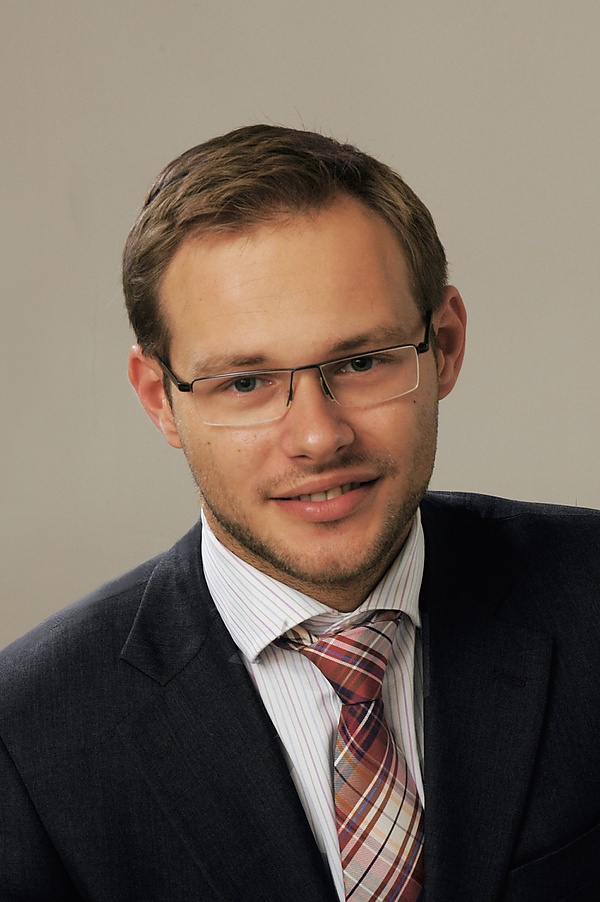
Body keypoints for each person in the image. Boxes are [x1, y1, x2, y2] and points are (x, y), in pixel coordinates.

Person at [1, 125, 599, 902]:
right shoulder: (27, 737)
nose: (317, 437)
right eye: (245, 383)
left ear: (445, 346)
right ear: (160, 400)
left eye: (361, 362)